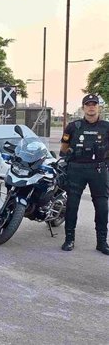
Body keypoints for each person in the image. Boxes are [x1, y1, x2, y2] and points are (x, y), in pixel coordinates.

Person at [59, 93, 109, 255]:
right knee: (72, 205)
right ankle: (69, 239)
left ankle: (101, 242)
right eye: (88, 104)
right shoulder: (73, 127)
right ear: (83, 108)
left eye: (94, 104)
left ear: (99, 107)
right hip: (76, 170)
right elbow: (64, 147)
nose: (91, 107)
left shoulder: (106, 127)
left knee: (102, 207)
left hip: (98, 170)